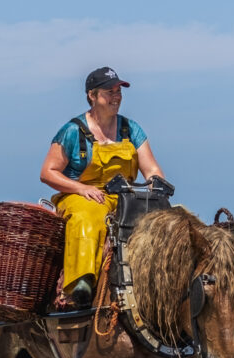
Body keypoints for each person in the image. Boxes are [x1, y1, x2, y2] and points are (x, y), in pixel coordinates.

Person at [40, 66, 165, 308]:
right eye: (110, 92)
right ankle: (81, 285)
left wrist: (155, 185)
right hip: (81, 195)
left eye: (119, 91)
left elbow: (151, 169)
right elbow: (48, 172)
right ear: (92, 96)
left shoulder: (131, 130)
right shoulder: (72, 131)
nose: (116, 97)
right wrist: (80, 189)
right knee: (89, 217)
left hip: (124, 196)